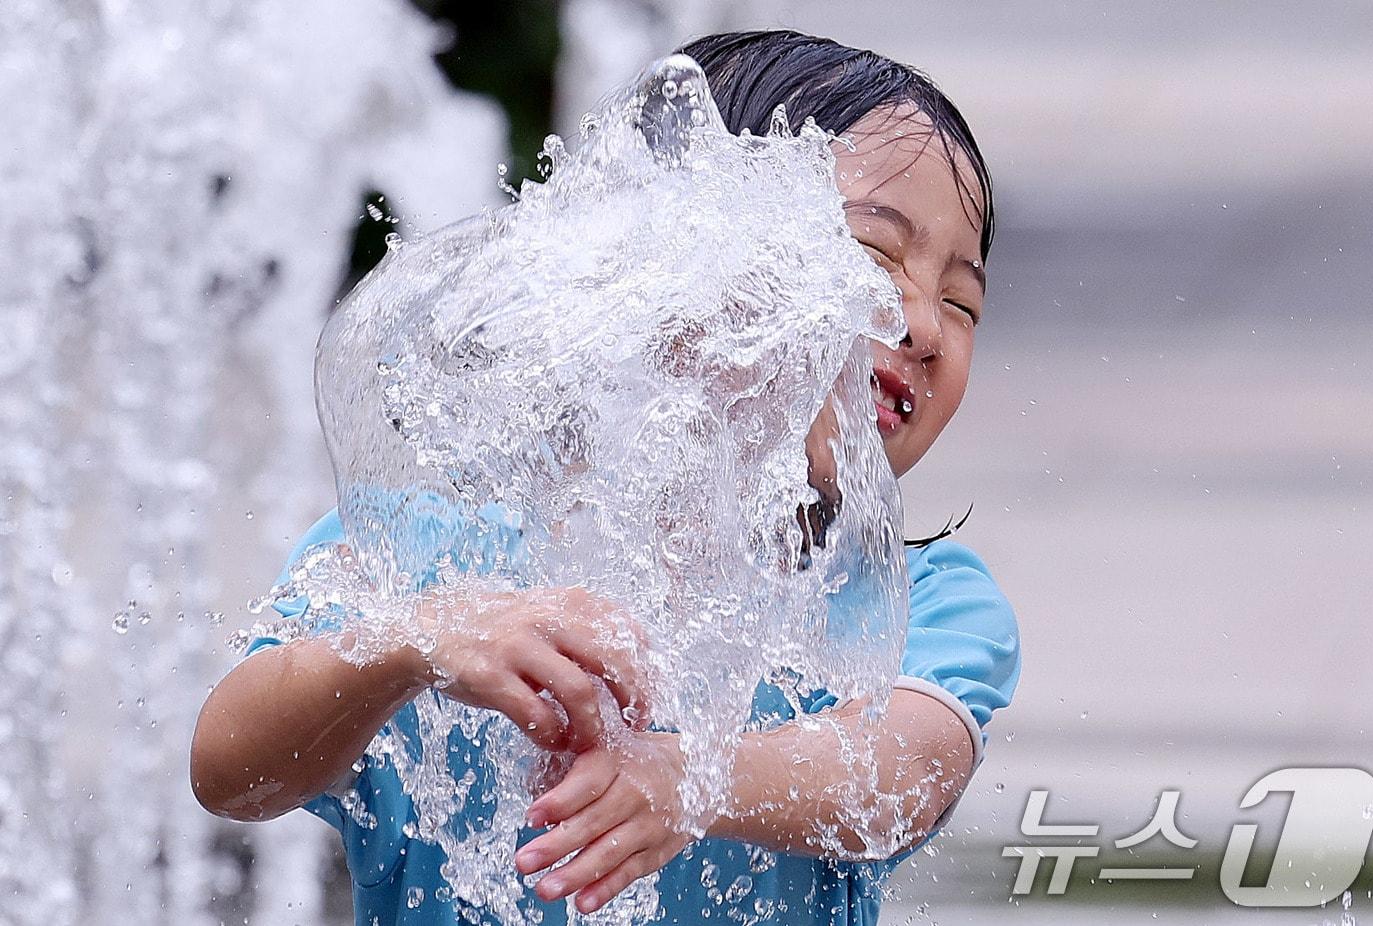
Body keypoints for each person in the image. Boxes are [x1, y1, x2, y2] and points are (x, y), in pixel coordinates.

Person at [191, 29, 1020, 926]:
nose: (924, 326)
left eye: (961, 301)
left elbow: (899, 777)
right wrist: (415, 642)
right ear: (677, 258)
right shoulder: (430, 553)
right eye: (872, 256)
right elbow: (231, 770)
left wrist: (691, 778)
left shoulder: (917, 603)